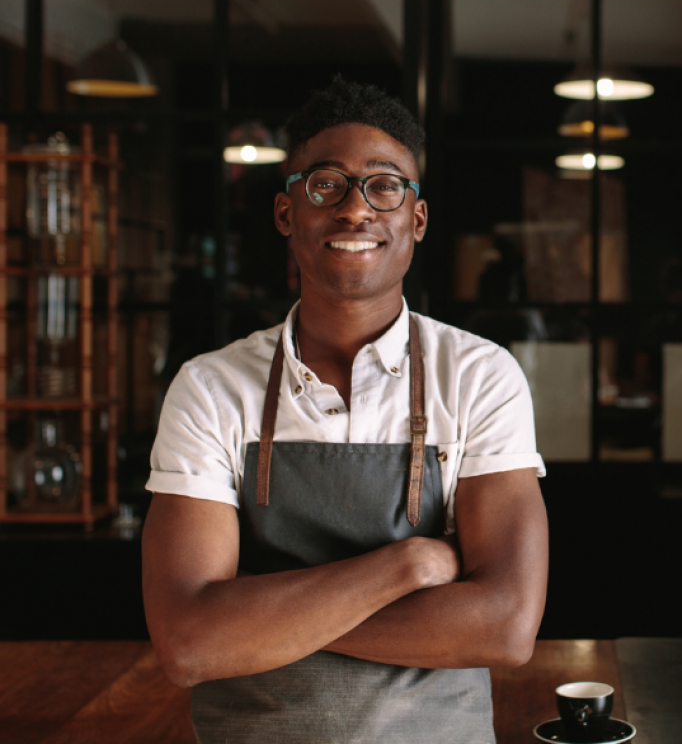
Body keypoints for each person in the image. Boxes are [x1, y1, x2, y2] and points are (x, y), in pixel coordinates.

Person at [141, 76, 549, 743]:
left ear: (416, 218)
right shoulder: (211, 389)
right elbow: (189, 645)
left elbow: (504, 628)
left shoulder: (479, 377)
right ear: (286, 213)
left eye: (385, 185)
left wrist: (263, 625)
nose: (357, 210)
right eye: (325, 184)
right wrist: (407, 567)